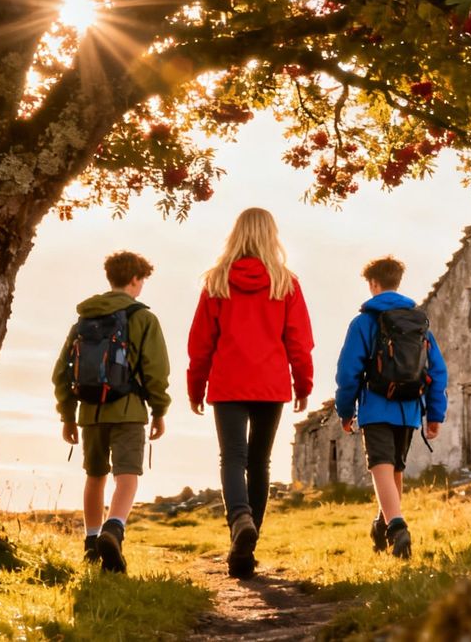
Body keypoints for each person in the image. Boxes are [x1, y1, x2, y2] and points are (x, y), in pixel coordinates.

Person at [188, 207, 314, 579]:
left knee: (232, 458)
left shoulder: (216, 282)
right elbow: (298, 341)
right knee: (259, 462)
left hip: (227, 383)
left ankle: (239, 520)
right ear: (271, 235)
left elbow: (201, 343)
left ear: (235, 234)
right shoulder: (285, 283)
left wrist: (196, 386)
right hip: (270, 383)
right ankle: (246, 549)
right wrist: (302, 384)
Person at [53, 250, 170, 574]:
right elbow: (155, 370)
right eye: (142, 279)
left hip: (90, 413)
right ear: (135, 279)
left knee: (95, 476)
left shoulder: (85, 319)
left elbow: (62, 371)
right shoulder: (144, 318)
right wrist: (159, 409)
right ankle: (113, 529)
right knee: (127, 477)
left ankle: (92, 543)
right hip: (129, 410)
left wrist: (68, 414)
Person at [335, 256, 448, 560]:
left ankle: (397, 527)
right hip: (410, 409)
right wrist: (435, 414)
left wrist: (345, 410)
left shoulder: (363, 322)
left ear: (373, 284)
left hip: (376, 407)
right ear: (398, 282)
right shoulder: (418, 323)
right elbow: (438, 371)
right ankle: (382, 524)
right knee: (395, 469)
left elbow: (348, 372)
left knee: (380, 466)